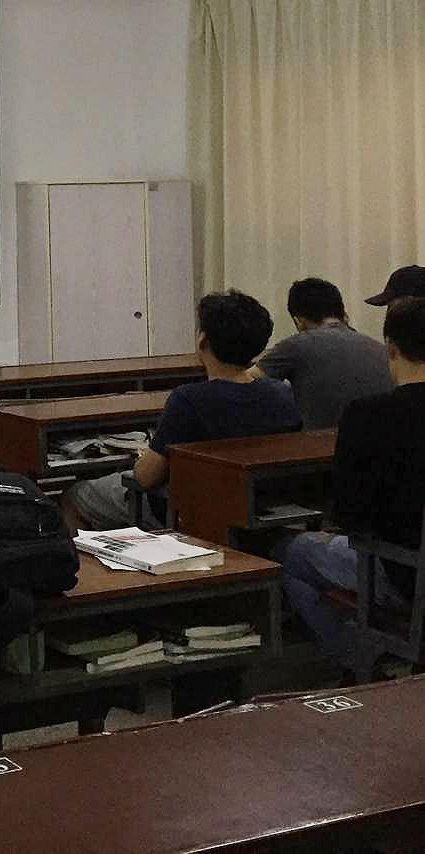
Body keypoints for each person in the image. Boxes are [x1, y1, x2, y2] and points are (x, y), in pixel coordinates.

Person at [62, 290, 299, 531]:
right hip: (256, 507)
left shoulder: (189, 400)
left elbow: (146, 478)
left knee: (74, 496)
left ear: (202, 340)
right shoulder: (282, 394)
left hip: (187, 510)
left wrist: (144, 459)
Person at [282, 297, 425, 671]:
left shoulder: (367, 415)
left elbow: (350, 514)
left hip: (403, 574)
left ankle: (361, 664)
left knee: (293, 553)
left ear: (390, 348)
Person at [256, 277, 392, 428]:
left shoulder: (296, 345)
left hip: (324, 442)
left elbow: (244, 381)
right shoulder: (380, 349)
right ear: (344, 315)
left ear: (299, 321)